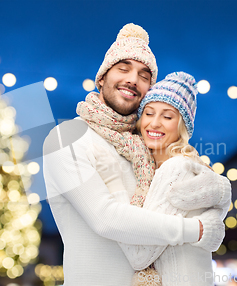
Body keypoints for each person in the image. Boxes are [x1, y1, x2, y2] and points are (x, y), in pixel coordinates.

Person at [43, 23, 227, 286]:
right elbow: (105, 218)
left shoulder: (145, 148)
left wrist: (217, 196)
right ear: (102, 77)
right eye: (123, 68)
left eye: (144, 75)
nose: (132, 79)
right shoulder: (68, 137)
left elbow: (182, 195)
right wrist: (197, 230)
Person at [81, 71, 232, 286]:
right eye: (149, 113)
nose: (155, 123)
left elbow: (139, 254)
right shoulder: (168, 167)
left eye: (167, 116)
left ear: (182, 127)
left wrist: (113, 180)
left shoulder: (176, 168)